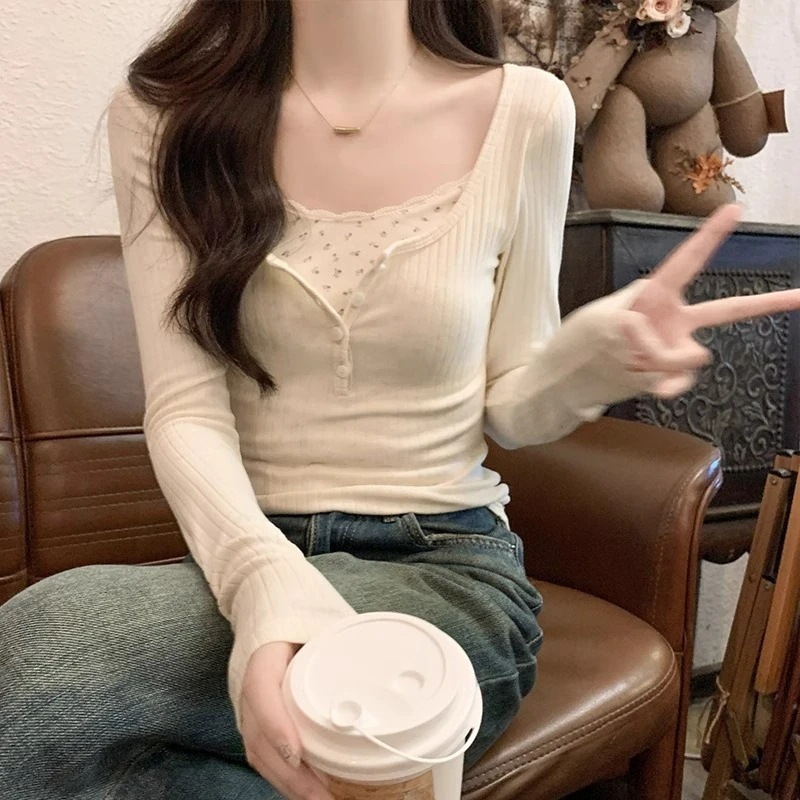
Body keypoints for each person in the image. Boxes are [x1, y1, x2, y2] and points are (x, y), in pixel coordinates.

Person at [1, 1, 799, 799]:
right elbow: (185, 408)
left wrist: (592, 360)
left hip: (445, 569)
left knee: (50, 651)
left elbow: (513, 408)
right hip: (241, 557)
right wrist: (263, 585)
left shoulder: (527, 110)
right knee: (64, 672)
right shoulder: (164, 115)